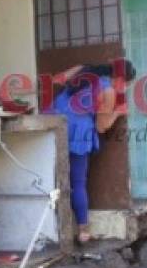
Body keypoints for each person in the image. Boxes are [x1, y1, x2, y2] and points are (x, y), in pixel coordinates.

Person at [48, 60, 136, 243]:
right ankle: (83, 231)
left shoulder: (82, 69)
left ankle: (50, 230)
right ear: (119, 79)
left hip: (51, 122)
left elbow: (58, 80)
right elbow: (102, 127)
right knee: (78, 182)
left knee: (47, 176)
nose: (125, 88)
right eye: (127, 84)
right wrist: (118, 112)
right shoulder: (108, 91)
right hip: (77, 132)